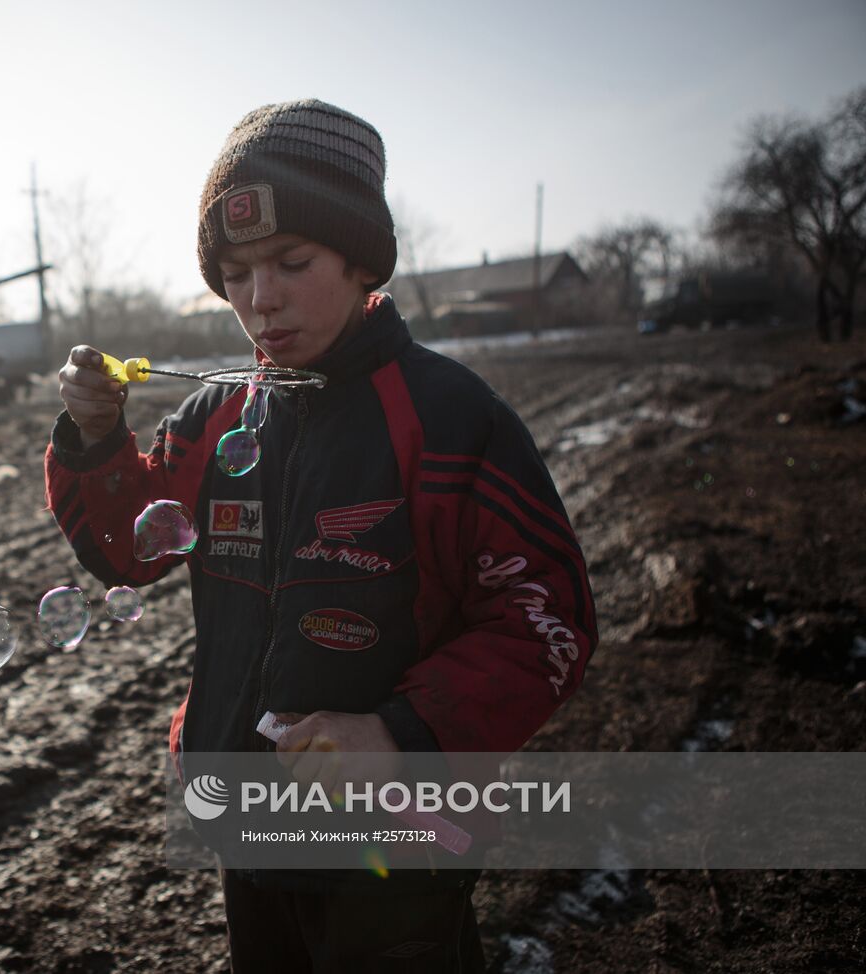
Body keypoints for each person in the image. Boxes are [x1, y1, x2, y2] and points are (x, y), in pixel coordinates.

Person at [45, 100, 596, 973]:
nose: (260, 300)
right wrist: (95, 441)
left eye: (292, 262)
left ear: (360, 259)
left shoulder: (452, 420)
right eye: (234, 273)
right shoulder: (213, 417)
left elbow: (545, 621)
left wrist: (400, 732)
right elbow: (126, 550)